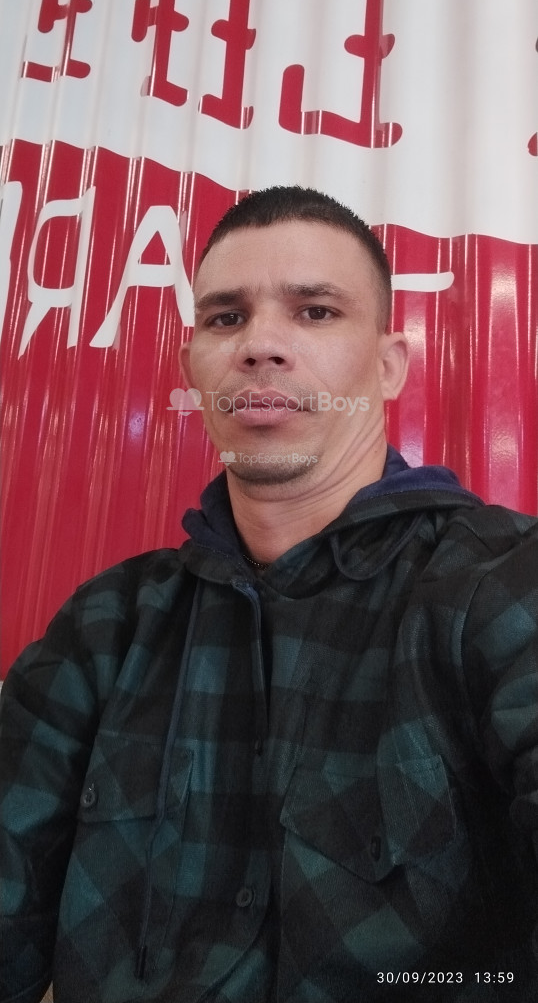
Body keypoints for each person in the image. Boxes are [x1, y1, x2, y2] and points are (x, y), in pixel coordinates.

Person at [1, 185, 538, 1003]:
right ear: (192, 367)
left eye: (315, 311)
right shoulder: (106, 626)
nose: (260, 346)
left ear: (388, 365)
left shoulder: (503, 584)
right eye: (226, 318)